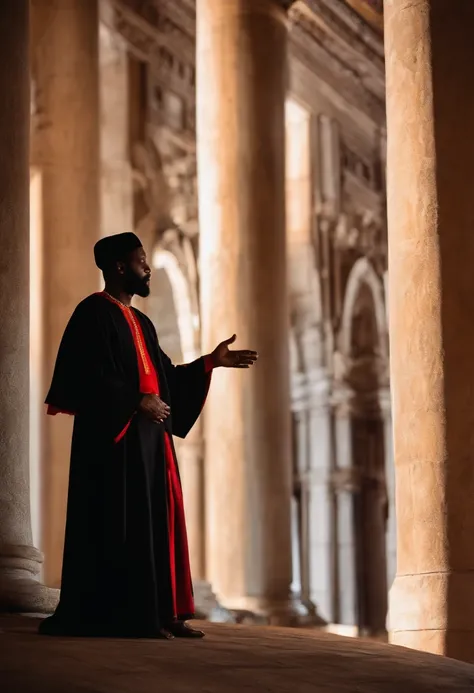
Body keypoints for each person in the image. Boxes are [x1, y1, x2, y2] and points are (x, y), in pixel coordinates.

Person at [39, 232, 258, 640]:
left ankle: (163, 612)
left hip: (152, 443)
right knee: (126, 524)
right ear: (119, 266)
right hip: (115, 445)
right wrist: (136, 401)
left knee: (158, 522)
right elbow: (87, 377)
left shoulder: (142, 322)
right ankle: (132, 615)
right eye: (141, 260)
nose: (148, 267)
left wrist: (211, 362)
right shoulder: (93, 313)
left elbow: (166, 378)